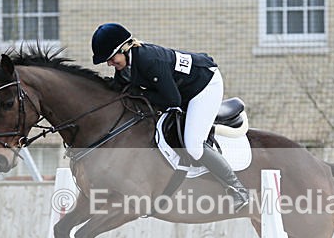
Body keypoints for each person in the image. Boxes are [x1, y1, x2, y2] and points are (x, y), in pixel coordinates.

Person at [91, 23, 249, 211]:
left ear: (124, 49)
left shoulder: (149, 60)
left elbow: (172, 99)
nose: (109, 64)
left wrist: (139, 95)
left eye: (110, 58)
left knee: (194, 146)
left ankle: (237, 190)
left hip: (204, 86)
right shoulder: (127, 65)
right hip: (184, 87)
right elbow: (121, 90)